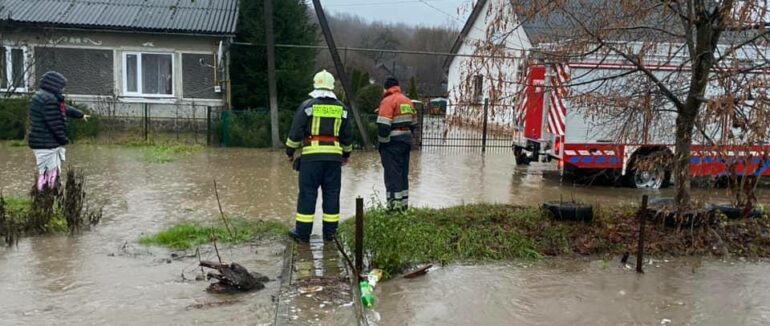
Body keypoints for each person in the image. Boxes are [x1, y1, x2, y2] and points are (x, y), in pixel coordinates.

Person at [286, 70, 353, 243]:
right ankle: (330, 235)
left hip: (311, 158)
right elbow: (347, 136)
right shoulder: (342, 109)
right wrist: (346, 154)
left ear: (315, 84)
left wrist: (290, 151)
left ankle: (302, 234)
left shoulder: (307, 106)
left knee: (308, 194)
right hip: (334, 160)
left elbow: (295, 132)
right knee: (332, 194)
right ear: (331, 87)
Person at [27, 71, 89, 191]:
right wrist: (64, 139)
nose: (63, 89)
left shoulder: (43, 96)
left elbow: (63, 108)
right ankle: (45, 200)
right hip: (46, 144)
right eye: (61, 86)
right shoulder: (48, 100)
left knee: (51, 173)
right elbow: (55, 124)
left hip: (43, 142)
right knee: (49, 175)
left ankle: (46, 200)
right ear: (54, 85)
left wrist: (80, 115)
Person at [376, 77, 417, 211]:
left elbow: (383, 127)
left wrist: (382, 145)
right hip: (405, 142)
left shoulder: (387, 101)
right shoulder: (407, 101)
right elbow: (414, 124)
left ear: (386, 88)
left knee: (392, 176)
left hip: (391, 145)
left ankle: (393, 208)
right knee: (403, 174)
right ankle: (403, 206)